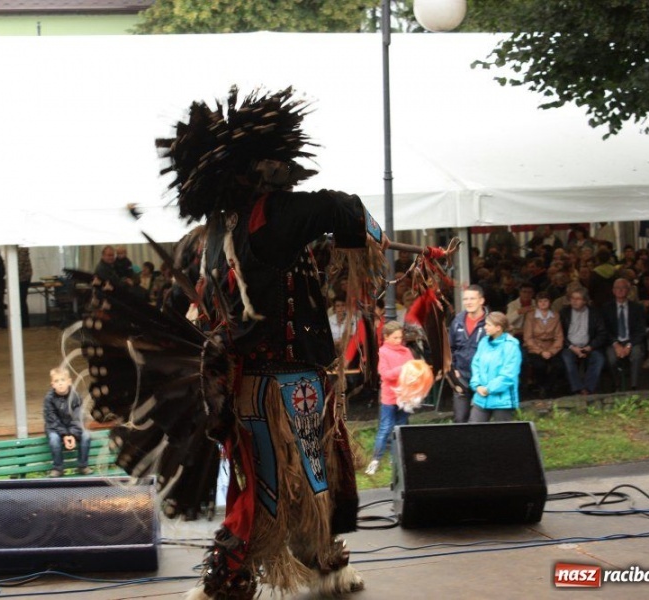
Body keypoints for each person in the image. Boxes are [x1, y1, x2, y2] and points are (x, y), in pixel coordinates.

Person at [79, 88, 388, 598]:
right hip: (282, 383)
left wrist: (330, 246)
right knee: (284, 485)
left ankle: (318, 564)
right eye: (277, 165)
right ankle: (229, 580)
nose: (286, 174)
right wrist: (363, 240)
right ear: (256, 170)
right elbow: (345, 208)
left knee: (293, 480)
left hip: (252, 381)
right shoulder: (272, 217)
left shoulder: (218, 231)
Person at [365, 321, 413, 476]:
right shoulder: (382, 352)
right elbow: (385, 375)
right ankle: (375, 460)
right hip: (390, 397)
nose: (398, 341)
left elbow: (413, 370)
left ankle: (396, 459)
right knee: (385, 428)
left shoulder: (406, 351)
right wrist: (403, 369)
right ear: (386, 337)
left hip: (405, 396)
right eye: (395, 338)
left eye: (400, 337)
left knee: (400, 428)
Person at [469, 312, 522, 422]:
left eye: (488, 325)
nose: (485, 327)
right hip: (481, 397)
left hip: (502, 400)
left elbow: (508, 374)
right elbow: (476, 365)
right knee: (473, 429)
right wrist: (477, 385)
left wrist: (489, 389)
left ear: (498, 328)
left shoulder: (511, 345)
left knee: (501, 432)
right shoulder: (483, 342)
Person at [43, 367, 92, 477]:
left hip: (74, 429)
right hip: (55, 429)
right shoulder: (49, 399)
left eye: (63, 380)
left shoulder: (76, 397)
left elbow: (78, 418)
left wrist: (73, 435)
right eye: (56, 381)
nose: (60, 383)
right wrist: (65, 435)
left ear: (69, 382)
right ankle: (58, 468)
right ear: (52, 384)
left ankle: (83, 466)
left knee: (86, 435)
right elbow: (52, 420)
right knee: (54, 439)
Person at [449, 285, 488, 423]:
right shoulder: (457, 321)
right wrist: (453, 370)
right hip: (462, 376)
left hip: (484, 378)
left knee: (479, 422)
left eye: (472, 298)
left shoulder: (490, 321)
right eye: (465, 299)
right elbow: (450, 348)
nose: (468, 302)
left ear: (481, 300)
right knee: (460, 419)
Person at [559, 287, 607, 395]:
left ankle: (588, 388)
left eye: (578, 299)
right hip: (569, 346)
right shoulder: (564, 312)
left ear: (585, 301)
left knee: (599, 359)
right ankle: (578, 388)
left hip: (589, 345)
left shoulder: (594, 313)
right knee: (567, 359)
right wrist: (572, 347)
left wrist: (590, 347)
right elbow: (559, 334)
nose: (574, 301)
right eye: (572, 298)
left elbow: (602, 333)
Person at [601, 278, 646, 391]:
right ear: (613, 291)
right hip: (613, 341)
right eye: (617, 288)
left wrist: (629, 345)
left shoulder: (637, 308)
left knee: (637, 354)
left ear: (628, 290)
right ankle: (616, 385)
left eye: (623, 288)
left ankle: (634, 386)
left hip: (631, 341)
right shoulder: (606, 308)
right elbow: (604, 330)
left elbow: (641, 330)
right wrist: (616, 344)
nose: (620, 290)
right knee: (611, 358)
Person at [522, 291, 564, 397]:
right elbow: (528, 337)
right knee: (540, 366)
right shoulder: (530, 316)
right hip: (535, 347)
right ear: (537, 303)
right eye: (540, 301)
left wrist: (551, 351)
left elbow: (559, 337)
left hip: (551, 347)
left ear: (550, 302)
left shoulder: (555, 315)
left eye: (545, 301)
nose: (543, 303)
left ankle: (547, 388)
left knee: (559, 365)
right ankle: (542, 387)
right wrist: (541, 352)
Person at [18, 246, 33, 328]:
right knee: (22, 301)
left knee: (21, 301)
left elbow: (19, 266)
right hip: (24, 278)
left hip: (22, 279)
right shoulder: (22, 250)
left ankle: (24, 323)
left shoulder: (21, 250)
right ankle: (24, 322)